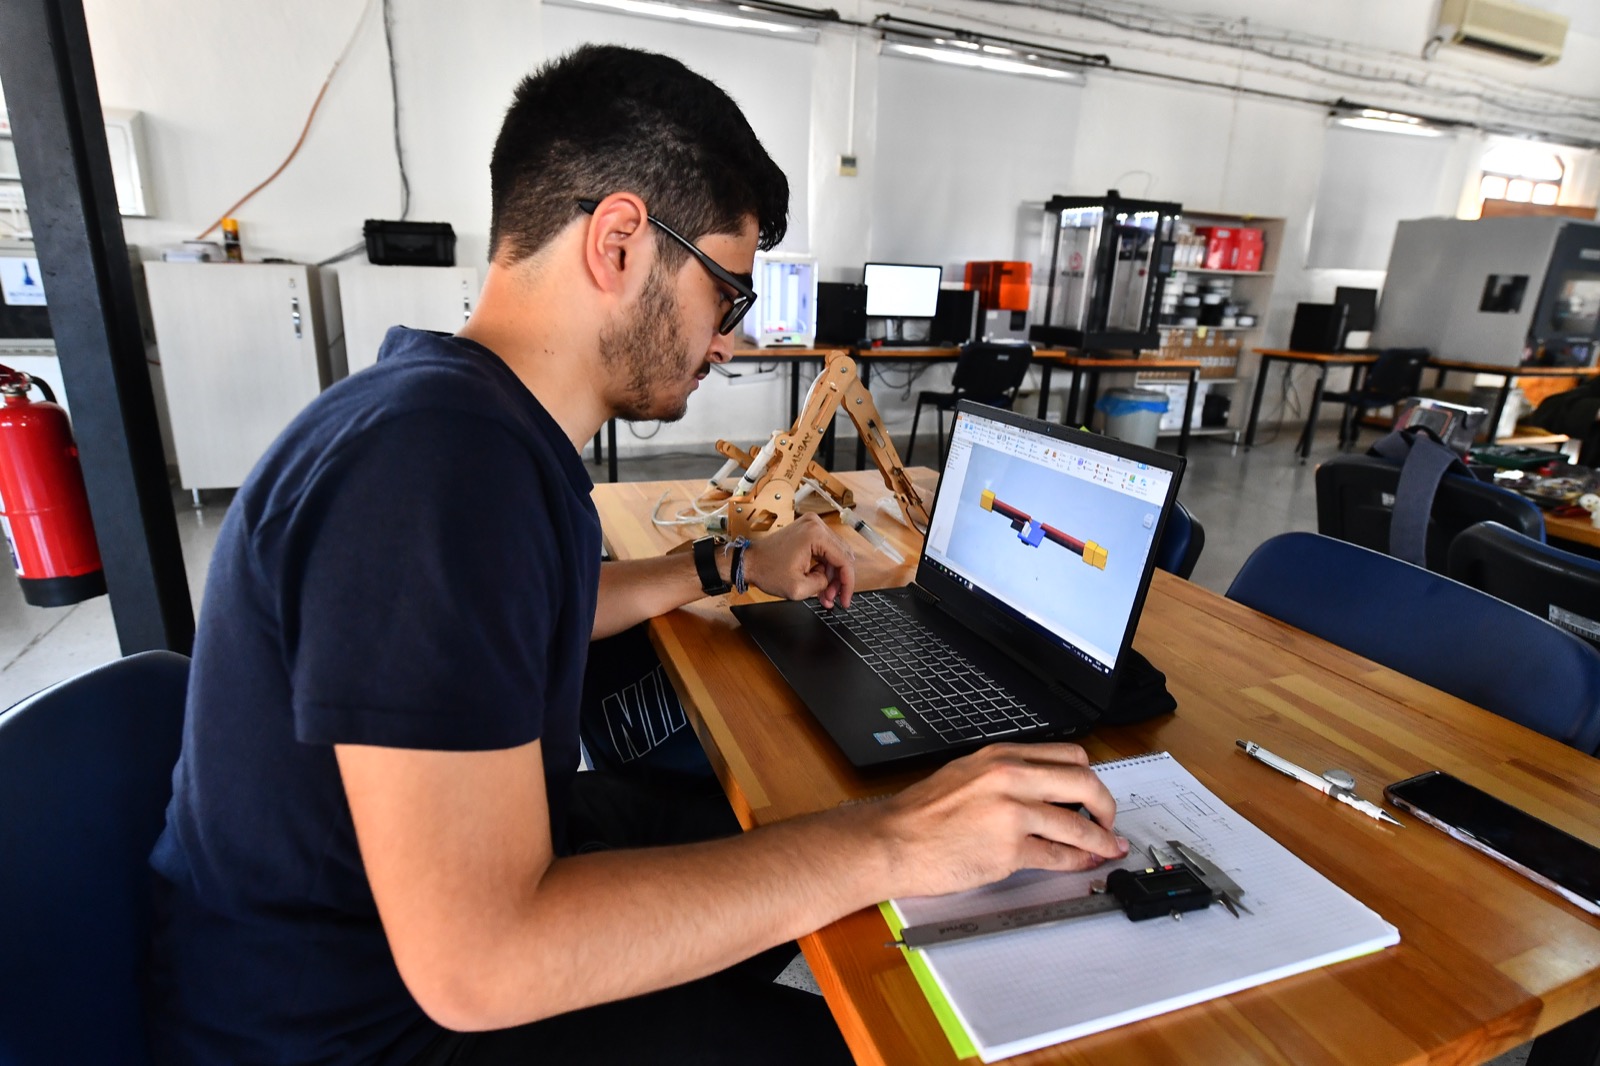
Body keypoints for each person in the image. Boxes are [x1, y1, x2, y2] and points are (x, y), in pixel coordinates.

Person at [145, 44, 1129, 1065]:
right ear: (618, 242)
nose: (730, 342)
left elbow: (531, 612)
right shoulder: (437, 470)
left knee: (773, 822)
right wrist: (893, 842)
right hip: (361, 1027)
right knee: (891, 1020)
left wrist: (727, 568)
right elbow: (480, 966)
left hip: (407, 931)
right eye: (727, 294)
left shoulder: (455, 419)